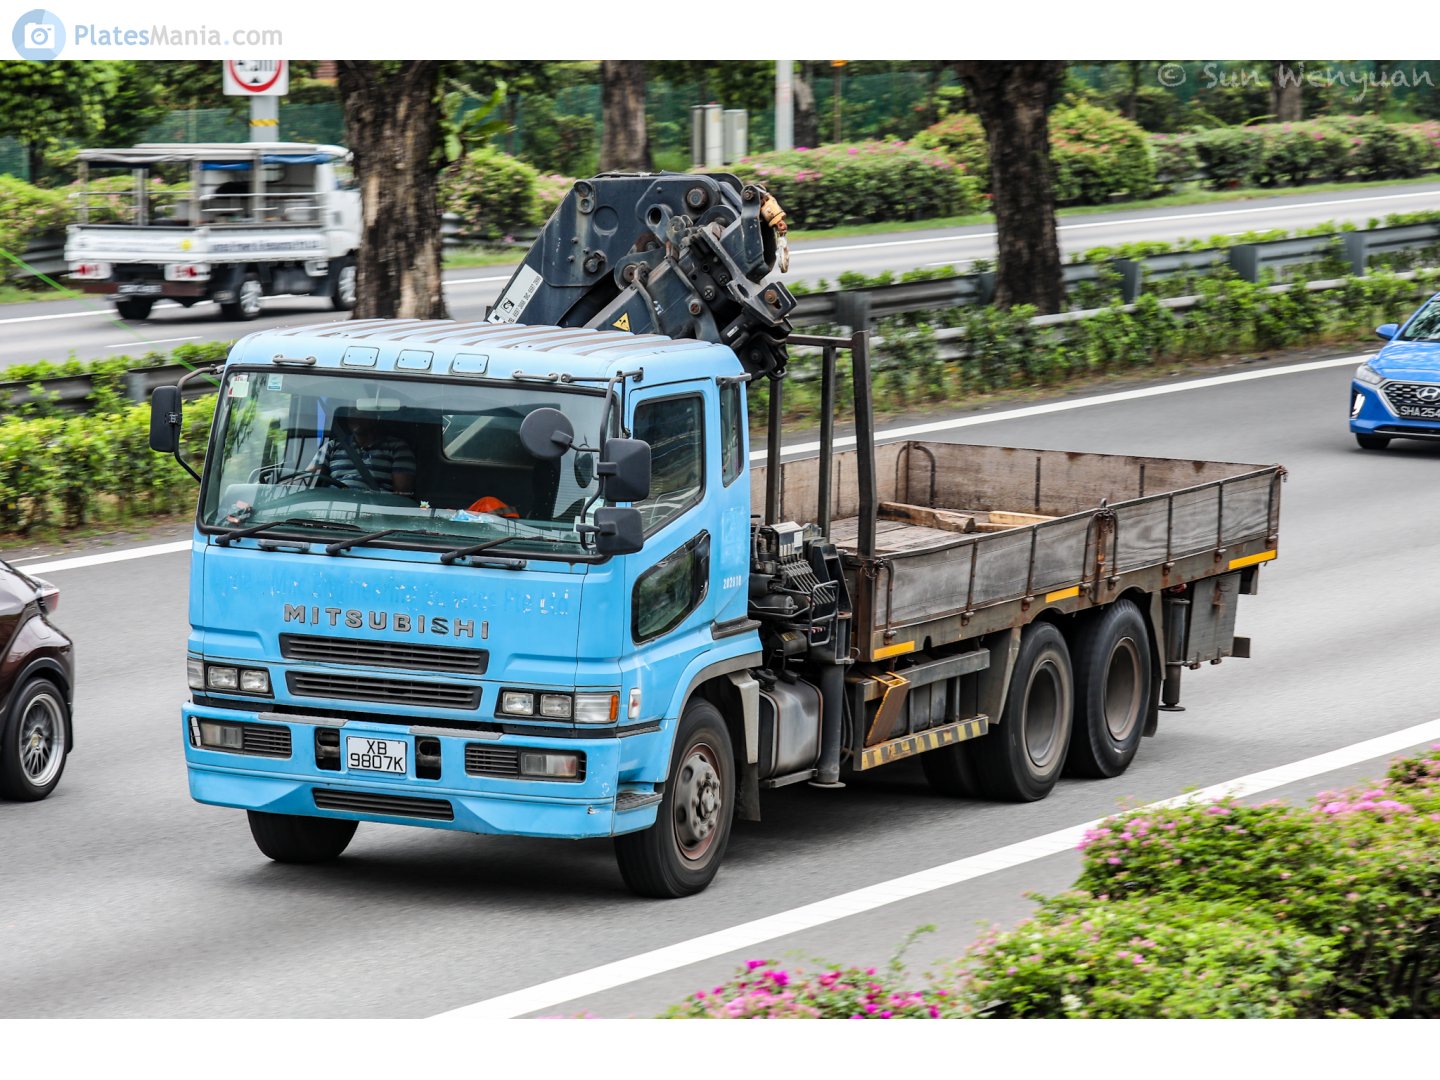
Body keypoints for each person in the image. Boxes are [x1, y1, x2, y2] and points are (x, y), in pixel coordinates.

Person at [309, 411, 416, 496]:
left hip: (375, 509)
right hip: (334, 505)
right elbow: (307, 479)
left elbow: (402, 494)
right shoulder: (332, 446)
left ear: (376, 416)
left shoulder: (397, 447)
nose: (355, 415)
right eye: (352, 411)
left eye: (362, 411)